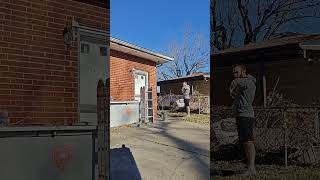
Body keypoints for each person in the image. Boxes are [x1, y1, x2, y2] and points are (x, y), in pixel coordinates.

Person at [229, 64, 257, 176]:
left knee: (248, 141)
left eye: (236, 72)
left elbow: (234, 83)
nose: (235, 75)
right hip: (241, 115)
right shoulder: (244, 82)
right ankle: (249, 166)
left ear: (243, 71)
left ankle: (251, 168)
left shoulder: (247, 81)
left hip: (246, 115)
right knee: (245, 141)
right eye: (234, 73)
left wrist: (231, 89)